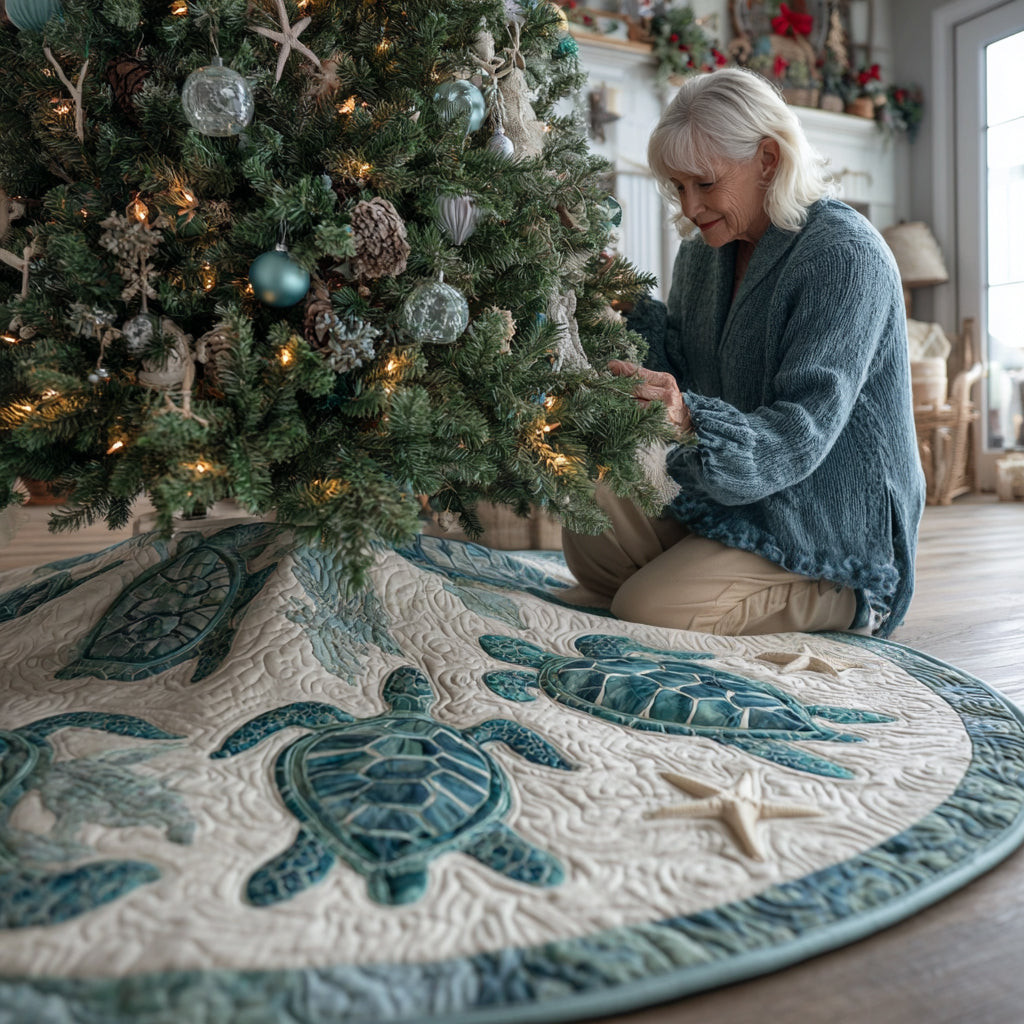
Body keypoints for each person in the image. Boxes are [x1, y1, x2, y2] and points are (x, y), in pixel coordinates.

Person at [562, 67, 925, 638]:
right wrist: (626, 303)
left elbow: (799, 432)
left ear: (768, 160)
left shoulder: (845, 255)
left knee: (647, 609)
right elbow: (682, 368)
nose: (689, 205)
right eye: (678, 187)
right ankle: (706, 572)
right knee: (589, 521)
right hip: (739, 493)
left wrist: (689, 418)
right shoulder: (704, 254)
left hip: (825, 517)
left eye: (704, 184)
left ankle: (850, 602)